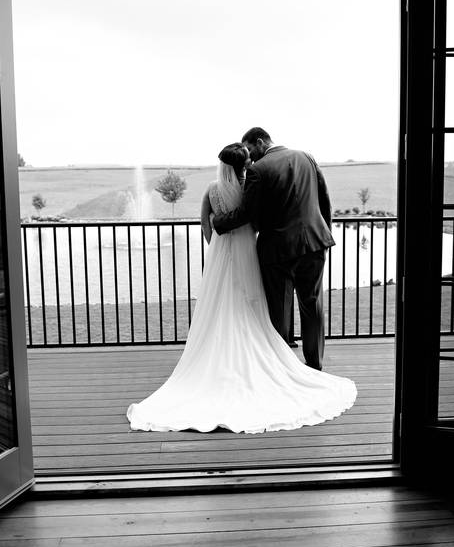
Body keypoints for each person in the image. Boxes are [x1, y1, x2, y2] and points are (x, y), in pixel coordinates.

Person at [126, 143, 356, 434]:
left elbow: (219, 223)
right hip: (310, 241)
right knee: (306, 304)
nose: (253, 160)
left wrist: (219, 232)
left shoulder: (219, 187)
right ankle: (312, 363)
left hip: (254, 252)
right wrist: (326, 229)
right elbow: (314, 201)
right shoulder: (300, 160)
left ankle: (274, 354)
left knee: (269, 305)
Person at [211, 127, 335, 371]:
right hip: (315, 244)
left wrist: (218, 223)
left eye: (249, 149)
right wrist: (324, 233)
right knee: (312, 304)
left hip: (278, 251)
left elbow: (247, 213)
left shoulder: (258, 170)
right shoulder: (306, 157)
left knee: (279, 310)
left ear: (260, 141)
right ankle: (315, 364)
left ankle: (283, 369)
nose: (249, 157)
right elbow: (324, 199)